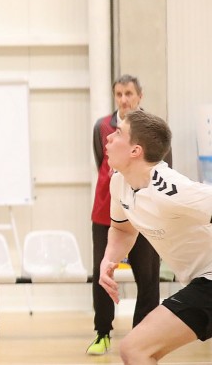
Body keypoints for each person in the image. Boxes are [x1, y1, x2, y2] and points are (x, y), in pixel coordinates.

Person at [99, 110, 212, 364]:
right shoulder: (119, 183)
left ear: (135, 150)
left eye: (118, 133)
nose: (109, 138)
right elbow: (122, 229)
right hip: (199, 282)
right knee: (137, 350)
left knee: (135, 349)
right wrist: (109, 259)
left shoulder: (169, 189)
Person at [87, 75, 170, 356]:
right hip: (106, 214)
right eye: (119, 94)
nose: (124, 99)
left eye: (129, 94)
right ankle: (102, 333)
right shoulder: (102, 127)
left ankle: (142, 337)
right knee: (103, 272)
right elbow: (103, 162)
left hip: (143, 215)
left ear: (140, 96)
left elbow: (163, 168)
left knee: (148, 277)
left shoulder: (153, 128)